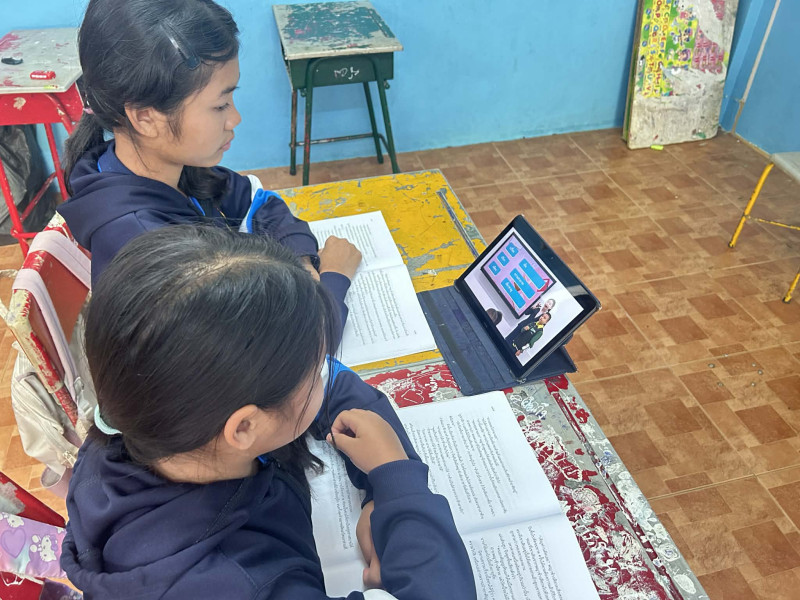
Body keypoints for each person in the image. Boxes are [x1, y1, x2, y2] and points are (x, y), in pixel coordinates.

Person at [60, 225, 477, 600]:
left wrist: (378, 493)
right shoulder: (237, 584)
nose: (324, 374)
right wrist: (397, 480)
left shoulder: (143, 422)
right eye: (311, 373)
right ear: (244, 427)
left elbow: (334, 384)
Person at [57, 0, 360, 342]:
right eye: (220, 105)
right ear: (145, 118)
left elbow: (256, 200)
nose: (235, 119)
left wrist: (300, 257)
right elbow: (295, 348)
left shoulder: (163, 168)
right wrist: (335, 276)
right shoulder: (155, 256)